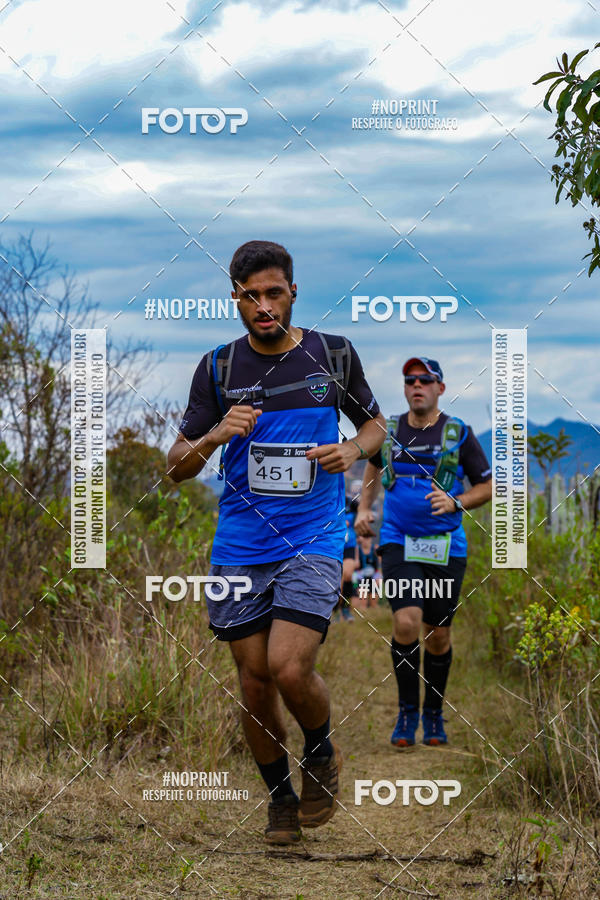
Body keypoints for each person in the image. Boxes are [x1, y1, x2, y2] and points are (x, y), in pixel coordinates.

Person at [167, 240, 385, 843]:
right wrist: (215, 434)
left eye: (274, 293)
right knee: (255, 680)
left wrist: (353, 449)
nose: (264, 305)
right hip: (239, 546)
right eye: (250, 296)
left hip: (312, 537)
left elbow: (374, 423)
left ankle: (320, 751)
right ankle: (279, 799)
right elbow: (176, 464)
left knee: (289, 667)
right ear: (235, 299)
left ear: (293, 292)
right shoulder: (218, 368)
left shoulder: (332, 356)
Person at [355, 357, 491, 748]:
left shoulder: (457, 433)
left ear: (440, 388)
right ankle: (406, 713)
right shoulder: (390, 431)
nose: (417, 385)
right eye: (410, 380)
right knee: (406, 622)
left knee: (438, 635)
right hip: (399, 541)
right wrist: (365, 509)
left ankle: (433, 714)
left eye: (425, 380)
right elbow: (373, 469)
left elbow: (488, 487)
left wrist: (457, 502)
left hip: (447, 547)